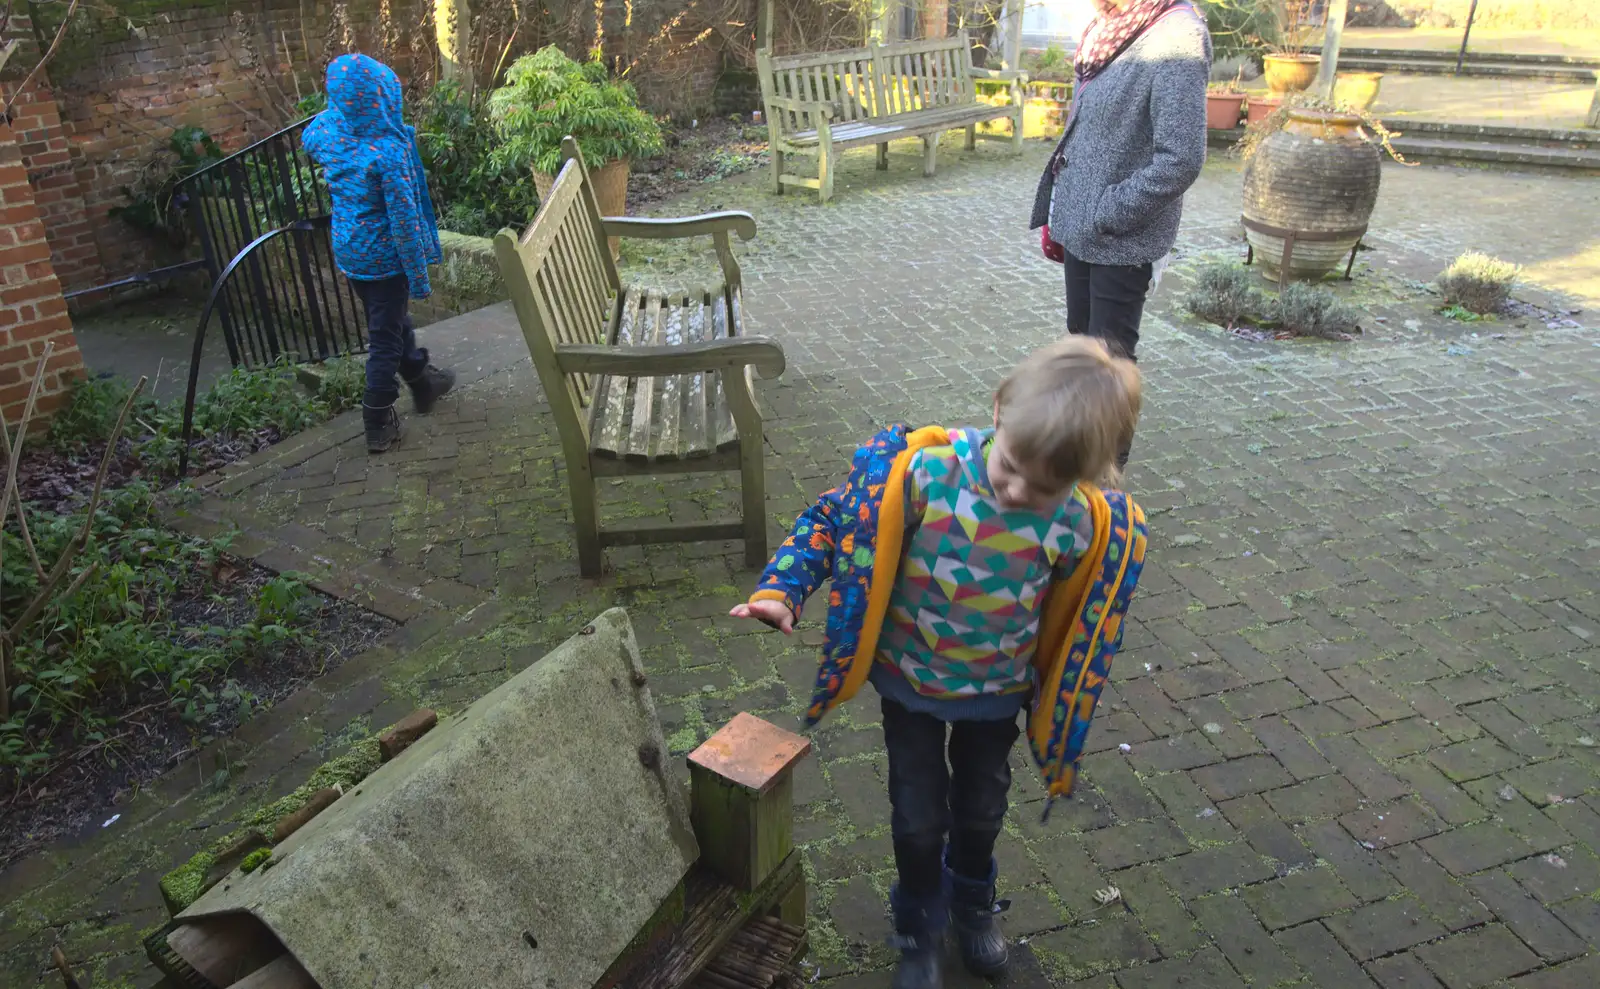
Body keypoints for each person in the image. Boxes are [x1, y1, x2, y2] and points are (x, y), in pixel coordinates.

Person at [730, 338, 1149, 989]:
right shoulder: (924, 473)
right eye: (1010, 466)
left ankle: (973, 903)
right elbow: (835, 519)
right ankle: (919, 925)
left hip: (997, 692)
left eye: (1043, 488)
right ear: (999, 407)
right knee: (919, 815)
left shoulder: (1077, 521)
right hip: (911, 686)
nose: (1015, 492)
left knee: (981, 808)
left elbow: (1077, 605)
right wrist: (781, 587)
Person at [1030, 0, 1210, 464]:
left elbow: (1181, 159)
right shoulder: (1109, 27)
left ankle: (1104, 496)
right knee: (1080, 355)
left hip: (1121, 237)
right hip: (1081, 228)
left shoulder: (1176, 35)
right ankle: (1073, 470)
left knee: (1109, 372)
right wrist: (1067, 206)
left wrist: (1107, 211)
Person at [303, 53, 455, 454]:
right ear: (384, 98)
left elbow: (311, 133)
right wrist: (419, 276)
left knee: (390, 320)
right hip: (385, 260)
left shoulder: (327, 132)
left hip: (350, 251)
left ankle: (423, 381)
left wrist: (341, 110)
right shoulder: (389, 152)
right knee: (384, 339)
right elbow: (404, 221)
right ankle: (377, 420)